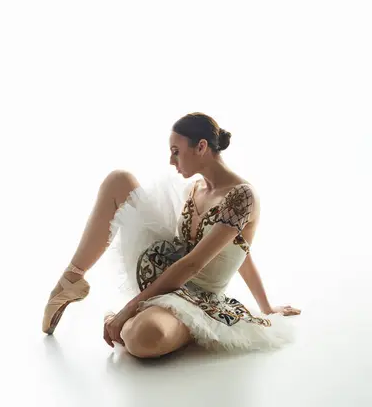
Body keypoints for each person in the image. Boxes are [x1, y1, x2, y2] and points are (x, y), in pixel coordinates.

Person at [42, 112, 301, 358]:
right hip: (161, 267)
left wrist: (127, 310)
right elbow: (234, 249)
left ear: (201, 147)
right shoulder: (196, 188)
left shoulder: (242, 196)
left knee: (144, 338)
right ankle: (71, 280)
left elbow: (210, 259)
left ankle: (149, 318)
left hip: (197, 297)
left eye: (176, 152)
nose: (171, 161)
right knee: (119, 180)